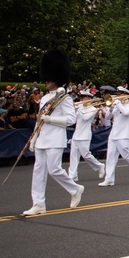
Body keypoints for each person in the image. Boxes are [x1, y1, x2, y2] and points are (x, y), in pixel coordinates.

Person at [22, 50, 83, 216]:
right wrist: (34, 138)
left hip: (56, 137)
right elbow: (39, 120)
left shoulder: (64, 98)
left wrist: (51, 120)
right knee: (38, 170)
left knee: (54, 169)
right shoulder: (45, 98)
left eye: (49, 79)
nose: (46, 82)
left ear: (56, 78)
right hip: (43, 137)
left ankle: (75, 188)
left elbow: (71, 119)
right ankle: (38, 203)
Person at [99, 86, 129, 186]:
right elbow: (107, 117)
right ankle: (109, 179)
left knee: (126, 155)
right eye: (118, 94)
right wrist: (110, 108)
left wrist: (118, 104)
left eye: (120, 94)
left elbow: (126, 113)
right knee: (110, 156)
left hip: (123, 134)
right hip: (113, 134)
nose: (118, 96)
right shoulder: (116, 105)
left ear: (126, 95)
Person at [68, 91, 105, 182]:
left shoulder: (93, 109)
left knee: (86, 155)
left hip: (85, 135)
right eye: (81, 98)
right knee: (73, 156)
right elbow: (73, 120)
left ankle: (100, 166)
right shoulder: (80, 108)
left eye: (84, 98)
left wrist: (79, 108)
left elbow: (86, 118)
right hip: (76, 134)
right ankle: (73, 175)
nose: (81, 100)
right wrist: (73, 109)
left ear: (88, 98)